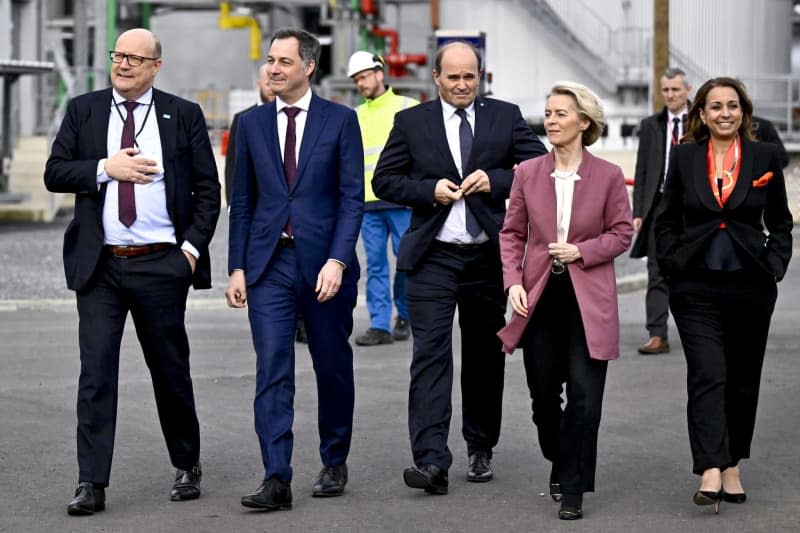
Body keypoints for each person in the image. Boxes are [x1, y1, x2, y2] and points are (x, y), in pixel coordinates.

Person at [43, 28, 221, 515]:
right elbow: (55, 171)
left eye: (134, 59)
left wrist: (187, 251)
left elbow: (208, 191)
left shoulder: (182, 114)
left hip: (161, 265)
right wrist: (105, 167)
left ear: (155, 66)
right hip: (100, 266)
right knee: (95, 375)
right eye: (117, 55)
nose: (122, 65)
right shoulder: (85, 109)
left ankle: (187, 463)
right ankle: (91, 482)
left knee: (170, 371)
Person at [373, 40, 546, 494]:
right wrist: (430, 190)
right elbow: (384, 180)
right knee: (429, 356)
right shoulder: (411, 122)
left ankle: (480, 445)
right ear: (436, 78)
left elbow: (540, 166)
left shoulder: (504, 116)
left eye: (470, 76)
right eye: (453, 77)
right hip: (432, 257)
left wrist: (498, 180)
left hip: (488, 258)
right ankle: (431, 461)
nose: (463, 84)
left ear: (480, 77)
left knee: (485, 357)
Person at [226, 28, 364, 511]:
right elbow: (240, 202)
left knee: (331, 365)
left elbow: (351, 199)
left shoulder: (340, 121)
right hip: (269, 265)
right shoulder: (250, 124)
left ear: (309, 66)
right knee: (272, 369)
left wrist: (338, 260)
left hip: (325, 263)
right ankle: (276, 476)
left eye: (284, 61)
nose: (274, 69)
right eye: (270, 60)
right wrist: (237, 266)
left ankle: (334, 458)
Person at [654, 77, 792, 513]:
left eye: (733, 106)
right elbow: (667, 220)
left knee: (742, 380)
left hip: (750, 284)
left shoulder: (765, 156)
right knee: (708, 373)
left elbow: (782, 222)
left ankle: (732, 464)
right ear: (701, 113)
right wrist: (672, 262)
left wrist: (774, 265)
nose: (725, 113)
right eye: (715, 106)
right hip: (694, 286)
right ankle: (710, 467)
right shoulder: (684, 156)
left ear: (743, 112)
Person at [498, 82, 633, 520]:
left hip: (588, 299)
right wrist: (512, 282)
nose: (551, 121)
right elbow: (512, 234)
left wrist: (583, 251)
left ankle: (573, 487)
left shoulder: (609, 176)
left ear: (584, 122)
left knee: (585, 398)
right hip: (539, 297)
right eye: (549, 113)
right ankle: (559, 456)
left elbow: (621, 233)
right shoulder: (527, 173)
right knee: (542, 396)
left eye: (560, 114)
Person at [224, 63, 309, 344]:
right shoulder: (246, 120)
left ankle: (301, 320)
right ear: (259, 84)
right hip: (262, 217)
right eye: (267, 80)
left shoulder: (309, 118)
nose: (273, 83)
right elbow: (235, 168)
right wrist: (233, 204)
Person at [347, 50, 418, 346]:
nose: (361, 84)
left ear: (380, 73)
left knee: (406, 261)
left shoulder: (408, 108)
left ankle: (405, 315)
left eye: (364, 76)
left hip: (402, 201)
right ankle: (380, 325)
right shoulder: (355, 116)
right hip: (368, 203)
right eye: (356, 80)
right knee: (375, 265)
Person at [630, 67, 691, 355]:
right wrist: (639, 211)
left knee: (693, 270)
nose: (670, 95)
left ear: (687, 90)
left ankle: (700, 331)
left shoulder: (702, 121)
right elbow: (641, 171)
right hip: (659, 207)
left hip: (693, 207)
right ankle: (657, 334)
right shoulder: (651, 125)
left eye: (676, 89)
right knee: (656, 271)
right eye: (666, 90)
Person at [224, 62, 275, 206]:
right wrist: (231, 207)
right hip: (253, 205)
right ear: (258, 84)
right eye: (267, 83)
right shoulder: (242, 119)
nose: (272, 88)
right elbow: (232, 168)